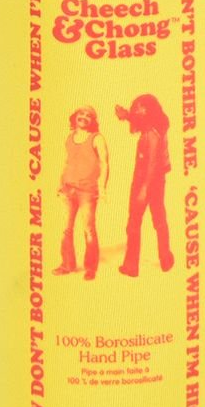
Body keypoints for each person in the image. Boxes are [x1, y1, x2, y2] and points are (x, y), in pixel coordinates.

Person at [115, 94, 174, 277]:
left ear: (149, 110)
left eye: (140, 108)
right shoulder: (154, 127)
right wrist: (126, 116)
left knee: (134, 223)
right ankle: (165, 259)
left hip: (146, 180)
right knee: (159, 219)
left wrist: (143, 190)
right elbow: (140, 122)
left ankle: (131, 266)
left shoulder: (151, 135)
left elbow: (152, 165)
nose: (137, 111)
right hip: (156, 180)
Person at [53, 106, 109, 281]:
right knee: (66, 229)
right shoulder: (70, 137)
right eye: (81, 114)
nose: (84, 117)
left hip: (87, 191)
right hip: (68, 188)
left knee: (88, 229)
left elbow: (105, 163)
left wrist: (102, 187)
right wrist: (60, 184)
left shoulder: (97, 138)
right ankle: (67, 265)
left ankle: (90, 268)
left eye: (88, 115)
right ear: (75, 117)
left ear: (93, 121)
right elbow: (67, 162)